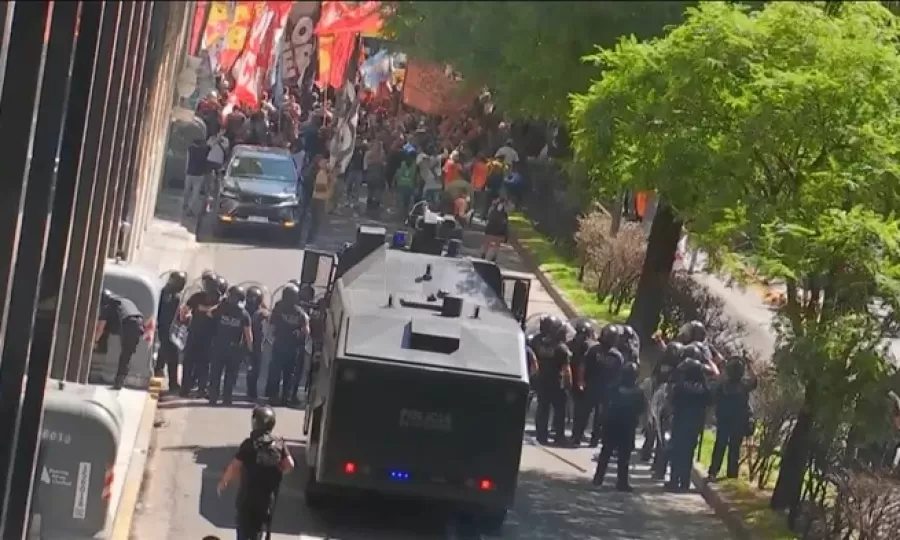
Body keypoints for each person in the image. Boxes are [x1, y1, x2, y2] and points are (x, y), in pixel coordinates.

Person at [217, 406, 294, 540]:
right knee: (259, 529)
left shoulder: (249, 444)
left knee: (244, 529)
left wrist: (224, 482)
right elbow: (290, 465)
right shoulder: (279, 443)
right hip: (267, 499)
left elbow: (234, 466)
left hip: (247, 497)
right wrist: (278, 472)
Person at [592, 361, 645, 491]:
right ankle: (620, 482)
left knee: (608, 453)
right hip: (625, 426)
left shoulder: (614, 388)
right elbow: (641, 408)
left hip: (615, 425)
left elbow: (604, 404)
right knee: (622, 456)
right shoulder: (637, 392)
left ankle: (599, 478)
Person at [707, 357, 757, 481]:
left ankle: (713, 472)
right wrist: (750, 366)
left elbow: (713, 399)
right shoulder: (743, 386)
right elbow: (755, 381)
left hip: (724, 422)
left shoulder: (723, 386)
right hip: (738, 423)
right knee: (734, 449)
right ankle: (732, 474)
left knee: (720, 447)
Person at [667, 358, 712, 492]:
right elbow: (709, 402)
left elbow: (672, 400)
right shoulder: (703, 388)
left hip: (680, 422)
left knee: (676, 452)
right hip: (695, 424)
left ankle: (674, 481)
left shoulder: (681, 386)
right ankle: (684, 482)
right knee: (688, 454)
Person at [530, 315, 572, 445]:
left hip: (541, 380)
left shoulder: (536, 342)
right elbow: (566, 369)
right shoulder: (561, 348)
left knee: (543, 407)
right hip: (556, 383)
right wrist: (568, 383)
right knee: (559, 410)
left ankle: (541, 435)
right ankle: (559, 436)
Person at [208, 286, 253, 405]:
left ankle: (213, 397)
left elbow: (209, 313)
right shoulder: (244, 314)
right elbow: (248, 335)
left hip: (219, 346)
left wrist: (219, 305)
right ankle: (227, 398)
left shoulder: (221, 309)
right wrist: (250, 350)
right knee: (230, 375)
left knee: (216, 373)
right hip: (234, 349)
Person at [266, 283, 310, 405]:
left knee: (276, 371)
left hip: (280, 344)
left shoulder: (278, 308)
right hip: (292, 346)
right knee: (289, 373)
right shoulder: (300, 312)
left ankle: (273, 397)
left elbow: (271, 323)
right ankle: (286, 398)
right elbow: (306, 331)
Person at [180, 273, 221, 398]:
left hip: (197, 334)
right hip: (208, 336)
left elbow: (184, 310)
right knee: (203, 364)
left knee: (191, 362)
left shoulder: (198, 297)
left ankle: (186, 389)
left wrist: (185, 319)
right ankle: (200, 389)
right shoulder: (218, 299)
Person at [94, 289, 145, 390]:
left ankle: (118, 383)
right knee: (126, 356)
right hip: (139, 323)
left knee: (125, 356)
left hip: (129, 324)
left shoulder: (108, 306)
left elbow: (100, 326)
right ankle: (119, 382)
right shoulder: (124, 301)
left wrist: (95, 341)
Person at [155, 271, 187, 392]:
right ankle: (173, 385)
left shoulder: (165, 291)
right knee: (173, 357)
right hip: (169, 330)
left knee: (164, 352)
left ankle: (159, 370)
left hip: (166, 328)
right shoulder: (173, 295)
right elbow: (173, 316)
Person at [244, 286, 268, 401]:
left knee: (252, 369)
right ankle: (251, 393)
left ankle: (250, 392)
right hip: (254, 343)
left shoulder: (245, 310)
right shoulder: (260, 313)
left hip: (245, 342)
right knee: (253, 369)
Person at [185, 137, 210, 217]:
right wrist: (219, 135)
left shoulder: (190, 149)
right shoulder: (204, 150)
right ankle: (189, 208)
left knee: (187, 190)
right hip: (199, 175)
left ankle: (185, 204)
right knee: (195, 194)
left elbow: (187, 160)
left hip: (190, 173)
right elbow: (213, 144)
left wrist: (186, 170)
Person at [480, 195, 509, 262]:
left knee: (488, 241)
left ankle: (484, 254)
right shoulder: (505, 210)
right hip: (500, 227)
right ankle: (493, 256)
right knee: (496, 243)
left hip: (492, 226)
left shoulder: (493, 207)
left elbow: (489, 215)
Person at [392, 149, 417, 219]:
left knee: (402, 202)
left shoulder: (402, 163)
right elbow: (416, 177)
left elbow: (397, 174)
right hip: (408, 186)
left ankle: (402, 216)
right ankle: (404, 216)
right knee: (406, 203)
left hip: (403, 185)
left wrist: (394, 182)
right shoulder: (414, 165)